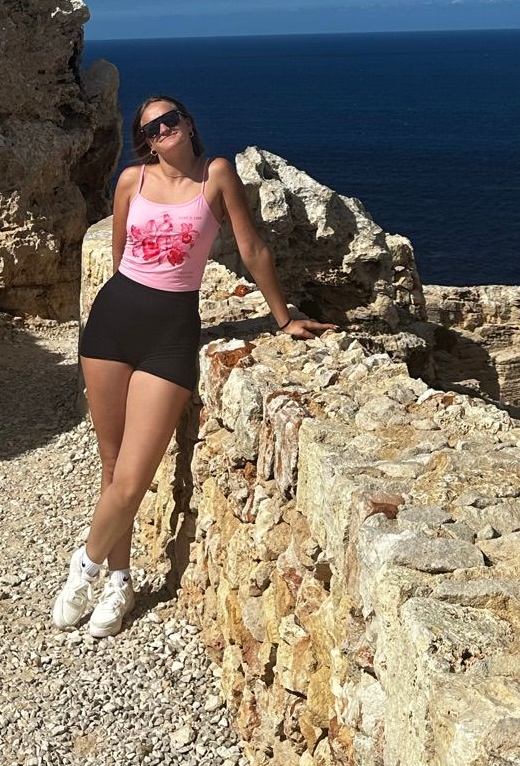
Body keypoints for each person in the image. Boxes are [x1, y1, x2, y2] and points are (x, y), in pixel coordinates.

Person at [52, 94, 336, 638]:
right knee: (112, 467)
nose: (163, 130)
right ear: (145, 142)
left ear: (187, 122)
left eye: (169, 119)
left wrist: (283, 319)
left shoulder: (217, 174)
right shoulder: (131, 180)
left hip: (170, 336)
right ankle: (119, 581)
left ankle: (83, 568)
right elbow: (120, 256)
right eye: (150, 128)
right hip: (112, 325)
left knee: (133, 477)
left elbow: (252, 249)